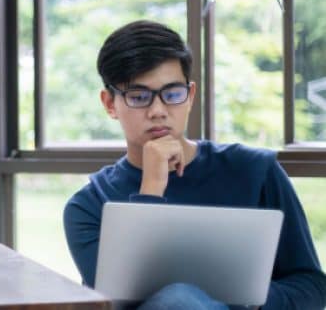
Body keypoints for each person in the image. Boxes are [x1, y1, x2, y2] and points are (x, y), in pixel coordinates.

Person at [63, 20, 326, 310]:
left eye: (173, 94)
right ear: (110, 104)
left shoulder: (255, 171)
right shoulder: (88, 207)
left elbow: (312, 288)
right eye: (139, 97)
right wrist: (151, 189)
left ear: (190, 96)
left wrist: (240, 300)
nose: (158, 111)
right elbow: (121, 303)